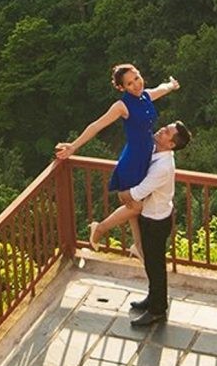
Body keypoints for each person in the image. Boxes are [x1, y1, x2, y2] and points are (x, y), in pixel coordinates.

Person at [55, 64, 180, 256]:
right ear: (122, 88)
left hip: (147, 157)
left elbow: (160, 90)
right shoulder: (122, 106)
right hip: (132, 161)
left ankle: (137, 246)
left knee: (134, 206)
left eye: (137, 78)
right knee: (137, 205)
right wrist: (73, 146)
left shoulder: (146, 96)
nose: (136, 85)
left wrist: (171, 85)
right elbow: (96, 125)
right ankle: (100, 228)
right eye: (129, 83)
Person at [124, 120, 190, 327]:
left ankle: (157, 310)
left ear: (171, 144)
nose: (161, 131)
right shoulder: (155, 151)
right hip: (150, 215)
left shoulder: (163, 166)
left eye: (166, 132)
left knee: (155, 266)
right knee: (152, 265)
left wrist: (121, 188)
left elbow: (137, 193)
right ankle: (153, 299)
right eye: (164, 128)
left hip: (156, 221)